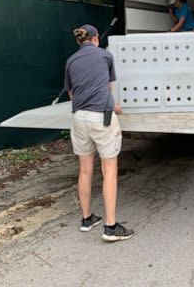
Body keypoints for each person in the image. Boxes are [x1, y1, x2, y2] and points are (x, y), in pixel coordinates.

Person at [64, 24, 134, 242]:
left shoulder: (71, 61)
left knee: (85, 169)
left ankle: (87, 219)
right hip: (100, 118)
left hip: (79, 118)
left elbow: (72, 93)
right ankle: (111, 227)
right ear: (95, 39)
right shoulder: (105, 55)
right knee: (109, 170)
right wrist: (114, 106)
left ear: (79, 41)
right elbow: (107, 87)